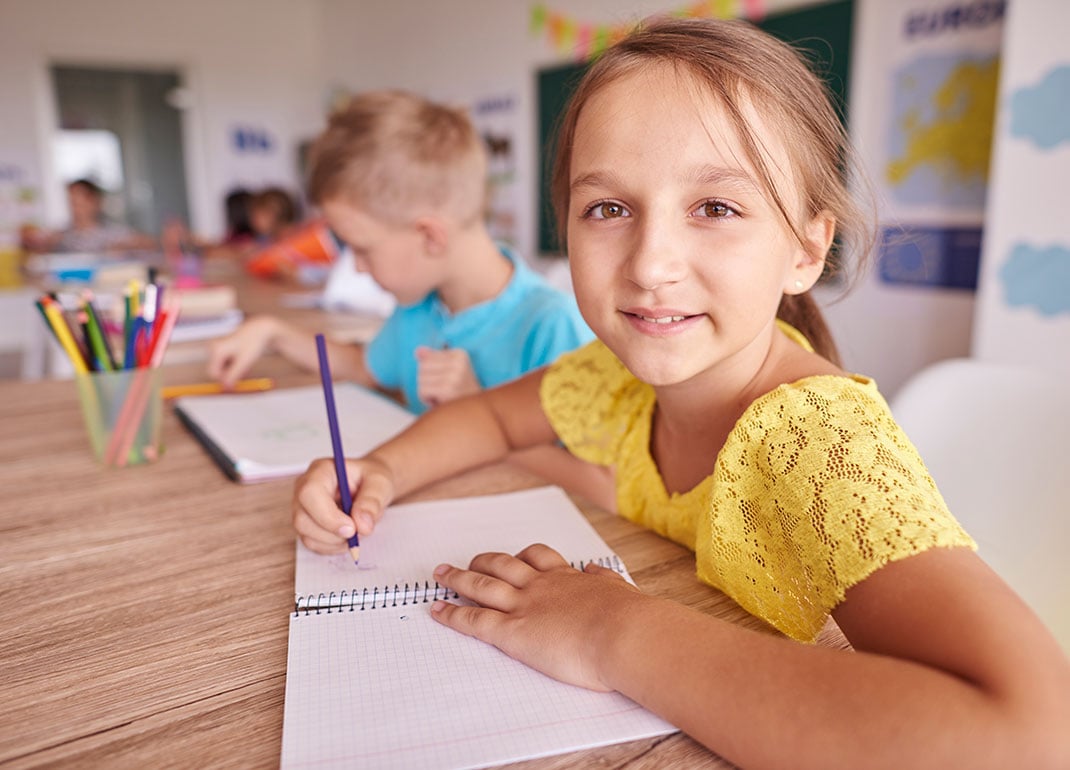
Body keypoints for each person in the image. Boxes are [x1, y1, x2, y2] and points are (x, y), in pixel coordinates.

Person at [290, 18, 1070, 769]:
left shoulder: (817, 440)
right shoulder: (616, 373)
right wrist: (383, 472)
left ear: (805, 250)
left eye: (716, 208)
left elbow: (1030, 734)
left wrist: (613, 631)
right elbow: (492, 416)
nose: (649, 263)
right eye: (609, 208)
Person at [209, 90, 602, 495]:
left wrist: (475, 408)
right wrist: (271, 332)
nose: (356, 267)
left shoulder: (553, 324)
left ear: (430, 236)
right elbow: (366, 367)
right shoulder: (421, 306)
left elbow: (595, 484)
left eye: (362, 248)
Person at [21, 178, 156, 254]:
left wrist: (129, 246)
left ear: (95, 202)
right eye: (72, 202)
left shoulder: (114, 232)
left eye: (80, 202)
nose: (75, 208)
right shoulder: (61, 237)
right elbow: (37, 251)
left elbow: (149, 244)